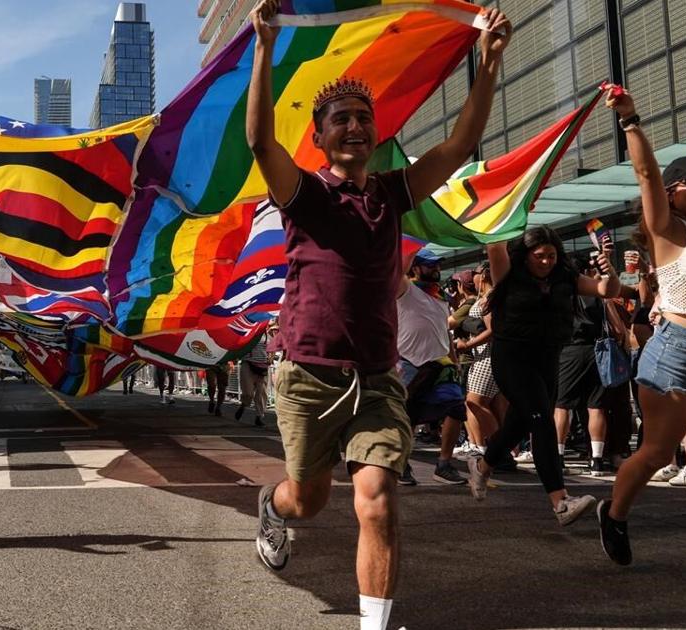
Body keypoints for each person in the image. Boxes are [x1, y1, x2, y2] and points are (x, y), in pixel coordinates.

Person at [245, 1, 509, 626]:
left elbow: (461, 143)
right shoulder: (304, 194)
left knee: (376, 500)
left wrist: (490, 65)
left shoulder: (394, 192)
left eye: (364, 117)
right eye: (341, 118)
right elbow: (259, 139)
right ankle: (273, 508)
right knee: (307, 501)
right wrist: (262, 46)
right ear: (320, 135)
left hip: (377, 379)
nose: (355, 126)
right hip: (308, 377)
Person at [598, 84, 686, 565]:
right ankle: (616, 514)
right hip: (677, 352)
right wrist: (630, 120)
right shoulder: (668, 231)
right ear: (672, 193)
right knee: (655, 453)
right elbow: (645, 173)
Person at [467, 226, 619, 525]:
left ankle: (483, 465)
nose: (546, 262)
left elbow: (606, 291)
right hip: (512, 356)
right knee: (541, 419)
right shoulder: (508, 273)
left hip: (547, 357)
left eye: (551, 255)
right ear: (525, 256)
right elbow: (495, 246)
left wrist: (609, 271)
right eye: (539, 256)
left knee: (519, 422)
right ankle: (561, 502)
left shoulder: (566, 277)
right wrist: (502, 214)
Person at [395, 249, 467, 486]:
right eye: (430, 265)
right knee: (408, 417)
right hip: (408, 363)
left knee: (456, 408)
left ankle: (444, 464)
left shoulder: (443, 297)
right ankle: (402, 464)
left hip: (440, 364)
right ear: (415, 268)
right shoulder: (405, 289)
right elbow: (396, 266)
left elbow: (444, 331)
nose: (436, 269)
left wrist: (454, 360)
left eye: (437, 265)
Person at [551, 255, 615, 476]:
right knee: (596, 406)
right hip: (597, 351)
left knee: (562, 405)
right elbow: (613, 323)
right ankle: (596, 460)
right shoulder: (596, 294)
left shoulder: (561, 294)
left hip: (569, 351)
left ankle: (558, 457)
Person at [454, 262, 501, 458]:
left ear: (484, 276)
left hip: (486, 357)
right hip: (481, 356)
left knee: (476, 402)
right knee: (474, 402)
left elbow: (492, 331)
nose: (473, 276)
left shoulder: (489, 299)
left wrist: (467, 346)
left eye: (476, 273)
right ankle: (484, 447)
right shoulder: (484, 298)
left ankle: (500, 449)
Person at [237, 332, 272, 427]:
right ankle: (244, 404)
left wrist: (270, 358)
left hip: (262, 366)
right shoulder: (247, 333)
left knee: (261, 393)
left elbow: (272, 349)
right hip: (248, 364)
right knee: (248, 392)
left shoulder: (268, 336)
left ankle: (259, 416)